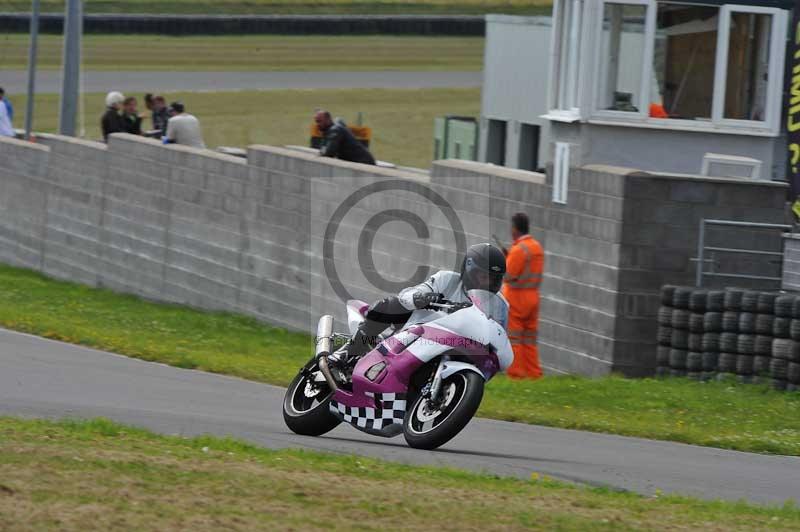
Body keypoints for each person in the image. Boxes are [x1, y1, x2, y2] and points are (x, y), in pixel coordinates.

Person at [333, 243, 507, 364]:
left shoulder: (497, 304)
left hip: (455, 345)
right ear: (469, 270)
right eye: (483, 276)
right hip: (417, 330)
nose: (487, 283)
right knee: (391, 305)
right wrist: (421, 298)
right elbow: (407, 295)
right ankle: (348, 353)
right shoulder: (447, 279)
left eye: (492, 280)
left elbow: (498, 332)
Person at [502, 213, 544, 379]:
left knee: (515, 338)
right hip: (533, 297)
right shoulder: (536, 247)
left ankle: (516, 374)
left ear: (514, 229)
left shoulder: (519, 250)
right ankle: (534, 373)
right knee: (529, 338)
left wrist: (506, 258)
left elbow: (509, 276)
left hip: (517, 298)